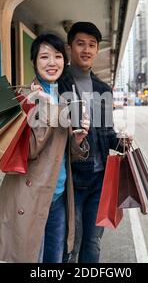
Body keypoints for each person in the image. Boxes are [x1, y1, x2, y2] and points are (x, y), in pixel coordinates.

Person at [0, 33, 90, 263]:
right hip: (31, 197)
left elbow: (61, 153)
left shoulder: (64, 98)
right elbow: (29, 150)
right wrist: (50, 111)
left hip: (59, 197)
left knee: (55, 260)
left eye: (58, 56)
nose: (52, 63)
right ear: (33, 62)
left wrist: (78, 140)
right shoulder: (23, 98)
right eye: (44, 57)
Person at [57, 22, 131, 263]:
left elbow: (106, 133)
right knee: (71, 245)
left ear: (97, 50)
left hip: (99, 181)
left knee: (93, 244)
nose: (86, 49)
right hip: (71, 181)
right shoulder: (59, 83)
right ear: (70, 48)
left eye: (92, 45)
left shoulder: (102, 88)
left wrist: (121, 141)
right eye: (80, 44)